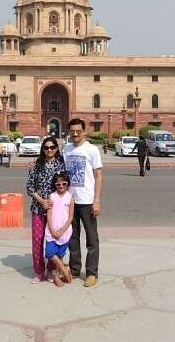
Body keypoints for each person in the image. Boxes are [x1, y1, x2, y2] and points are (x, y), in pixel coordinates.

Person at [63, 118, 103, 287]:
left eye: (78, 130)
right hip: (71, 201)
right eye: (72, 131)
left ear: (84, 131)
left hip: (87, 201)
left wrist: (97, 200)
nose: (75, 134)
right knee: (72, 238)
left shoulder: (92, 150)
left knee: (92, 239)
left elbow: (98, 176)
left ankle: (92, 273)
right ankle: (74, 269)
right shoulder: (66, 149)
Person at [25, 136, 65, 283]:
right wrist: (42, 201)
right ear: (42, 149)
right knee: (37, 240)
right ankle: (39, 271)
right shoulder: (36, 164)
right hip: (38, 208)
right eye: (46, 148)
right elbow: (30, 187)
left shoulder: (61, 165)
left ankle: (50, 269)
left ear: (56, 148)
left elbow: (64, 186)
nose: (49, 150)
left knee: (52, 241)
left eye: (52, 147)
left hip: (54, 210)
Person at [45, 171, 74, 287]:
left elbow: (70, 217)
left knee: (60, 255)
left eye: (64, 184)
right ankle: (64, 269)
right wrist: (52, 230)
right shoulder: (51, 196)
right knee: (49, 252)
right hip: (52, 230)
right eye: (58, 184)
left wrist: (62, 230)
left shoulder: (70, 198)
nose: (61, 186)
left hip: (65, 231)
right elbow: (49, 214)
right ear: (55, 185)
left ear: (67, 184)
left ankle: (57, 276)